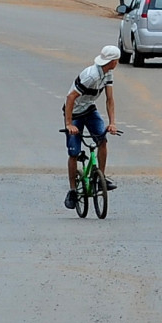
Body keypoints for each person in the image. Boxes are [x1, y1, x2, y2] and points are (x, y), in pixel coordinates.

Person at [63, 46, 121, 209]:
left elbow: (110, 99)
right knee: (74, 153)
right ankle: (73, 190)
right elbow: (70, 98)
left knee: (102, 140)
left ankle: (100, 177)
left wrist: (112, 123)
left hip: (89, 110)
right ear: (114, 62)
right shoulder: (91, 76)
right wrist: (69, 124)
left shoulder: (108, 73)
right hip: (74, 113)